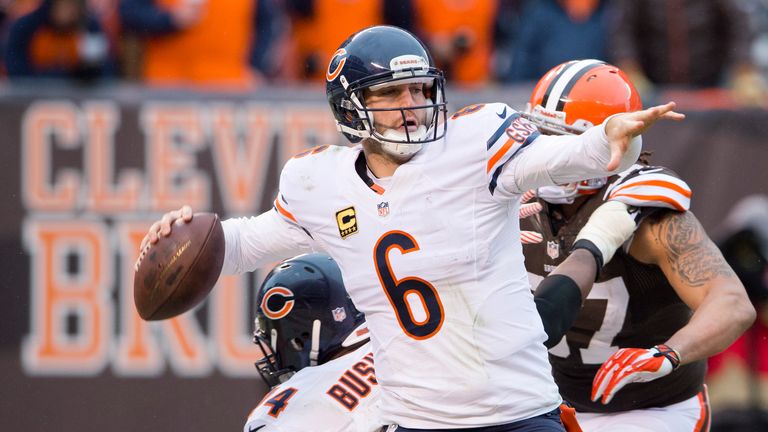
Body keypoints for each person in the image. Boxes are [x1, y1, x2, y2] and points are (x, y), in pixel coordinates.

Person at [138, 26, 686, 431]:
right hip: (413, 421)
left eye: (420, 91)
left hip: (518, 412)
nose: (412, 108)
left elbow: (565, 157)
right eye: (390, 95)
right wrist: (179, 234)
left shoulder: (475, 145)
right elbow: (238, 245)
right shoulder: (318, 182)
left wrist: (610, 139)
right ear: (351, 109)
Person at [241, 202, 640, 432]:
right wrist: (596, 242)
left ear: (300, 336)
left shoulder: (283, 408)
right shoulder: (432, 338)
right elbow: (544, 322)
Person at [519, 59, 756, 431]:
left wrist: (668, 354)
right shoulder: (513, 196)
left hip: (649, 410)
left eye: (565, 139)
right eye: (540, 134)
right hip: (545, 403)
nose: (549, 151)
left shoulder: (645, 214)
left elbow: (731, 303)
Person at [4, 0, 114, 80]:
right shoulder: (25, 27)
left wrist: (82, 75)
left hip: (78, 96)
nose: (68, 11)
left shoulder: (90, 27)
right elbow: (15, 68)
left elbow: (101, 68)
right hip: (33, 94)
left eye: (73, 6)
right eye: (63, 5)